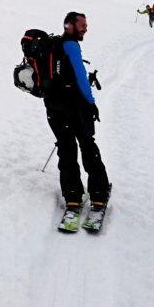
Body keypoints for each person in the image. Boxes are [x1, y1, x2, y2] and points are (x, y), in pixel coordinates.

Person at [44, 11, 111, 212]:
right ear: (70, 25)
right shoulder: (71, 45)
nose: (85, 28)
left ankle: (72, 197)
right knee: (87, 145)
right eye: (82, 25)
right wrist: (91, 103)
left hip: (53, 106)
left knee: (66, 148)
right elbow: (81, 79)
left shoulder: (53, 45)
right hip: (73, 107)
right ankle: (98, 194)